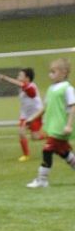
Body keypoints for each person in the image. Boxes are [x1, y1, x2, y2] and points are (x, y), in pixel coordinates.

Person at [25, 56, 75, 188]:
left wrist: (69, 125)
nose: (50, 75)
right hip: (52, 126)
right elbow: (44, 108)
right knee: (63, 152)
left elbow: (73, 107)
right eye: (50, 72)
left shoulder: (67, 88)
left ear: (64, 72)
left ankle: (42, 179)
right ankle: (42, 179)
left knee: (47, 150)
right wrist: (32, 118)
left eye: (53, 72)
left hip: (61, 126)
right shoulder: (51, 89)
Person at [0, 67, 43, 161]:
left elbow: (24, 87)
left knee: (35, 137)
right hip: (25, 116)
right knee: (21, 132)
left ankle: (53, 136)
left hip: (35, 115)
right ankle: (26, 155)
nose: (18, 76)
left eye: (20, 75)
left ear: (27, 78)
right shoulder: (23, 88)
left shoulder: (31, 87)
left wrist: (5, 78)